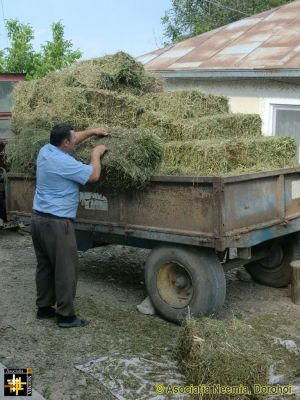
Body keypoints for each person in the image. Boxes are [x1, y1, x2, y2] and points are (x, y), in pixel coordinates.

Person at [31, 123, 107, 328]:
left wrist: (92, 131)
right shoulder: (64, 162)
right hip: (58, 224)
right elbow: (93, 175)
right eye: (72, 139)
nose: (75, 140)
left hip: (38, 220)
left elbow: (72, 138)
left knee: (45, 267)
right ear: (65, 143)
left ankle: (44, 308)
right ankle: (66, 316)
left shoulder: (45, 150)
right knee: (66, 270)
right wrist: (96, 154)